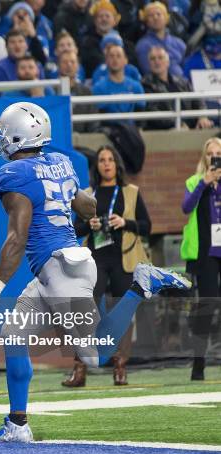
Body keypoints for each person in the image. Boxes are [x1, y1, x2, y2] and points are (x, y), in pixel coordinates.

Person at [0, 101, 190, 442]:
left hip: (63, 270)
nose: (1, 140)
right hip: (56, 268)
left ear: (20, 135)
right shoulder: (61, 161)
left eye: (5, 134)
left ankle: (141, 285)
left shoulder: (13, 175)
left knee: (97, 354)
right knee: (14, 339)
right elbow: (87, 206)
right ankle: (17, 425)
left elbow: (16, 240)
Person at [64, 146, 151, 387]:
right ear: (97, 166)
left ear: (117, 164)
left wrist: (125, 222)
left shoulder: (130, 192)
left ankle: (120, 366)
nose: (106, 164)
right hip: (95, 261)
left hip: (124, 259)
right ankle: (80, 367)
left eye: (111, 159)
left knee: (123, 314)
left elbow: (147, 226)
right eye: (102, 160)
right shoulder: (87, 194)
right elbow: (73, 230)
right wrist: (88, 225)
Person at [180, 137, 221, 381]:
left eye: (219, 153)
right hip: (206, 254)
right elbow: (186, 208)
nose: (214, 157)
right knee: (207, 307)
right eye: (210, 154)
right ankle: (198, 364)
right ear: (204, 158)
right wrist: (204, 184)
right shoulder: (195, 181)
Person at [142, 46, 214, 130]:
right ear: (149, 63)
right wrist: (178, 124)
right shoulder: (145, 84)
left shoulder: (182, 82)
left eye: (160, 58)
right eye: (152, 59)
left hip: (191, 128)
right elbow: (153, 112)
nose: (157, 61)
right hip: (166, 131)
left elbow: (198, 101)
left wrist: (202, 117)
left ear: (167, 62)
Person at [79, 0, 137, 78]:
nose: (104, 19)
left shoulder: (127, 45)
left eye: (107, 16)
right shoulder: (87, 44)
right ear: (95, 21)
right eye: (100, 16)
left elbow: (133, 63)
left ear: (115, 21)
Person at [92, 44, 145, 117]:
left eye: (118, 56)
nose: (115, 59)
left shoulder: (136, 87)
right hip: (108, 127)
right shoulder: (98, 88)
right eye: (111, 56)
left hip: (131, 127)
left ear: (126, 60)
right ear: (106, 60)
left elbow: (141, 112)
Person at [135, 2, 185, 78]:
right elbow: (147, 71)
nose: (155, 17)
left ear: (166, 18)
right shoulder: (142, 45)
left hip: (182, 85)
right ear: (146, 21)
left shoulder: (179, 43)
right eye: (151, 15)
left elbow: (187, 67)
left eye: (159, 14)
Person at [56, 51, 100, 133]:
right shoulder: (51, 90)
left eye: (72, 62)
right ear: (58, 65)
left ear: (78, 66)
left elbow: (93, 122)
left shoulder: (86, 91)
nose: (69, 65)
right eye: (65, 62)